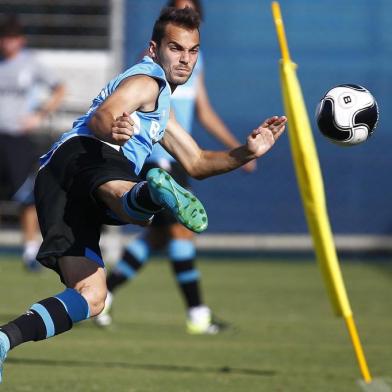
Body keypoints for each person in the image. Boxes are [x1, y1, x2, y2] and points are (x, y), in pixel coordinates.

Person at [0, 7, 286, 383]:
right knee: (133, 206)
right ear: (155, 49)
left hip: (57, 181)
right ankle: (149, 193)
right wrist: (112, 128)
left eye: (193, 50)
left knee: (91, 296)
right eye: (176, 48)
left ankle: (5, 340)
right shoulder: (148, 80)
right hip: (87, 156)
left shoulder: (161, 106)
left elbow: (197, 161)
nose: (185, 58)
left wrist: (246, 152)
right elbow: (106, 114)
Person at [95, 0, 256, 334]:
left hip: (182, 152)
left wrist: (238, 149)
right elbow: (127, 101)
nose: (185, 11)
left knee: (157, 237)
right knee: (181, 231)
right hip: (159, 153)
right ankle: (197, 313)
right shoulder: (155, 61)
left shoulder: (193, 61)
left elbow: (204, 111)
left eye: (190, 8)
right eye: (178, 6)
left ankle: (106, 294)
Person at [0, 15, 65, 271]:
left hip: (17, 137)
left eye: (12, 39)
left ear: (21, 41)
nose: (8, 44)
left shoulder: (31, 63)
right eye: (4, 38)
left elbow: (60, 89)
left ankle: (30, 249)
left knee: (26, 195)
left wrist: (39, 114)